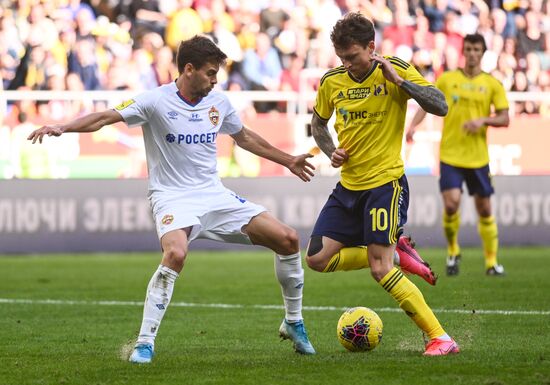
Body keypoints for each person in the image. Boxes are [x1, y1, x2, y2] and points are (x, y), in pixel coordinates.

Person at [28, 35, 316, 363]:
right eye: (210, 73)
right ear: (188, 69)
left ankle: (293, 322)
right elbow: (105, 117)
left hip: (214, 195)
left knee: (289, 239)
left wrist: (288, 160)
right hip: (172, 197)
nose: (215, 80)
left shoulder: (218, 103)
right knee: (176, 254)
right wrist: (62, 127)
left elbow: (244, 137)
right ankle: (144, 343)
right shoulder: (154, 100)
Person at [306, 12, 459, 356]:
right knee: (316, 258)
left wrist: (401, 83)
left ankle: (440, 338)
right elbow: (317, 124)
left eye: (353, 56)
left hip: (385, 185)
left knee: (379, 269)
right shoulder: (332, 81)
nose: (347, 64)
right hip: (348, 187)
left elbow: (441, 105)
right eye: (341, 57)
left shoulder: (395, 68)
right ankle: (398, 253)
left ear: (371, 47)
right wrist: (331, 150)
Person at [406, 33, 510, 277]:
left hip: (478, 158)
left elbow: (505, 118)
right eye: (469, 49)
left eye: (477, 49)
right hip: (451, 154)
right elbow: (427, 102)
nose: (472, 53)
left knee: (484, 209)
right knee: (452, 204)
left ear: (483, 53)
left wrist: (483, 120)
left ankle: (491, 262)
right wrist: (413, 126)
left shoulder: (492, 84)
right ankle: (453, 252)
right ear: (463, 51)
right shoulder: (447, 79)